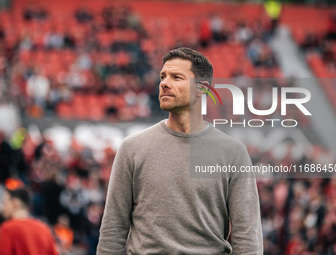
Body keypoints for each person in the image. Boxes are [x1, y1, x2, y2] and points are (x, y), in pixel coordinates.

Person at [97, 47, 263, 254]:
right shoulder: (132, 148)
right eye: (163, 76)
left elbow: (247, 238)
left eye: (177, 77)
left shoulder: (233, 153)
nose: (164, 83)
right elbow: (112, 230)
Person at [0, 187, 59, 255]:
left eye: (5, 203)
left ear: (15, 203)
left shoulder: (7, 229)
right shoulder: (45, 229)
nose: (3, 208)